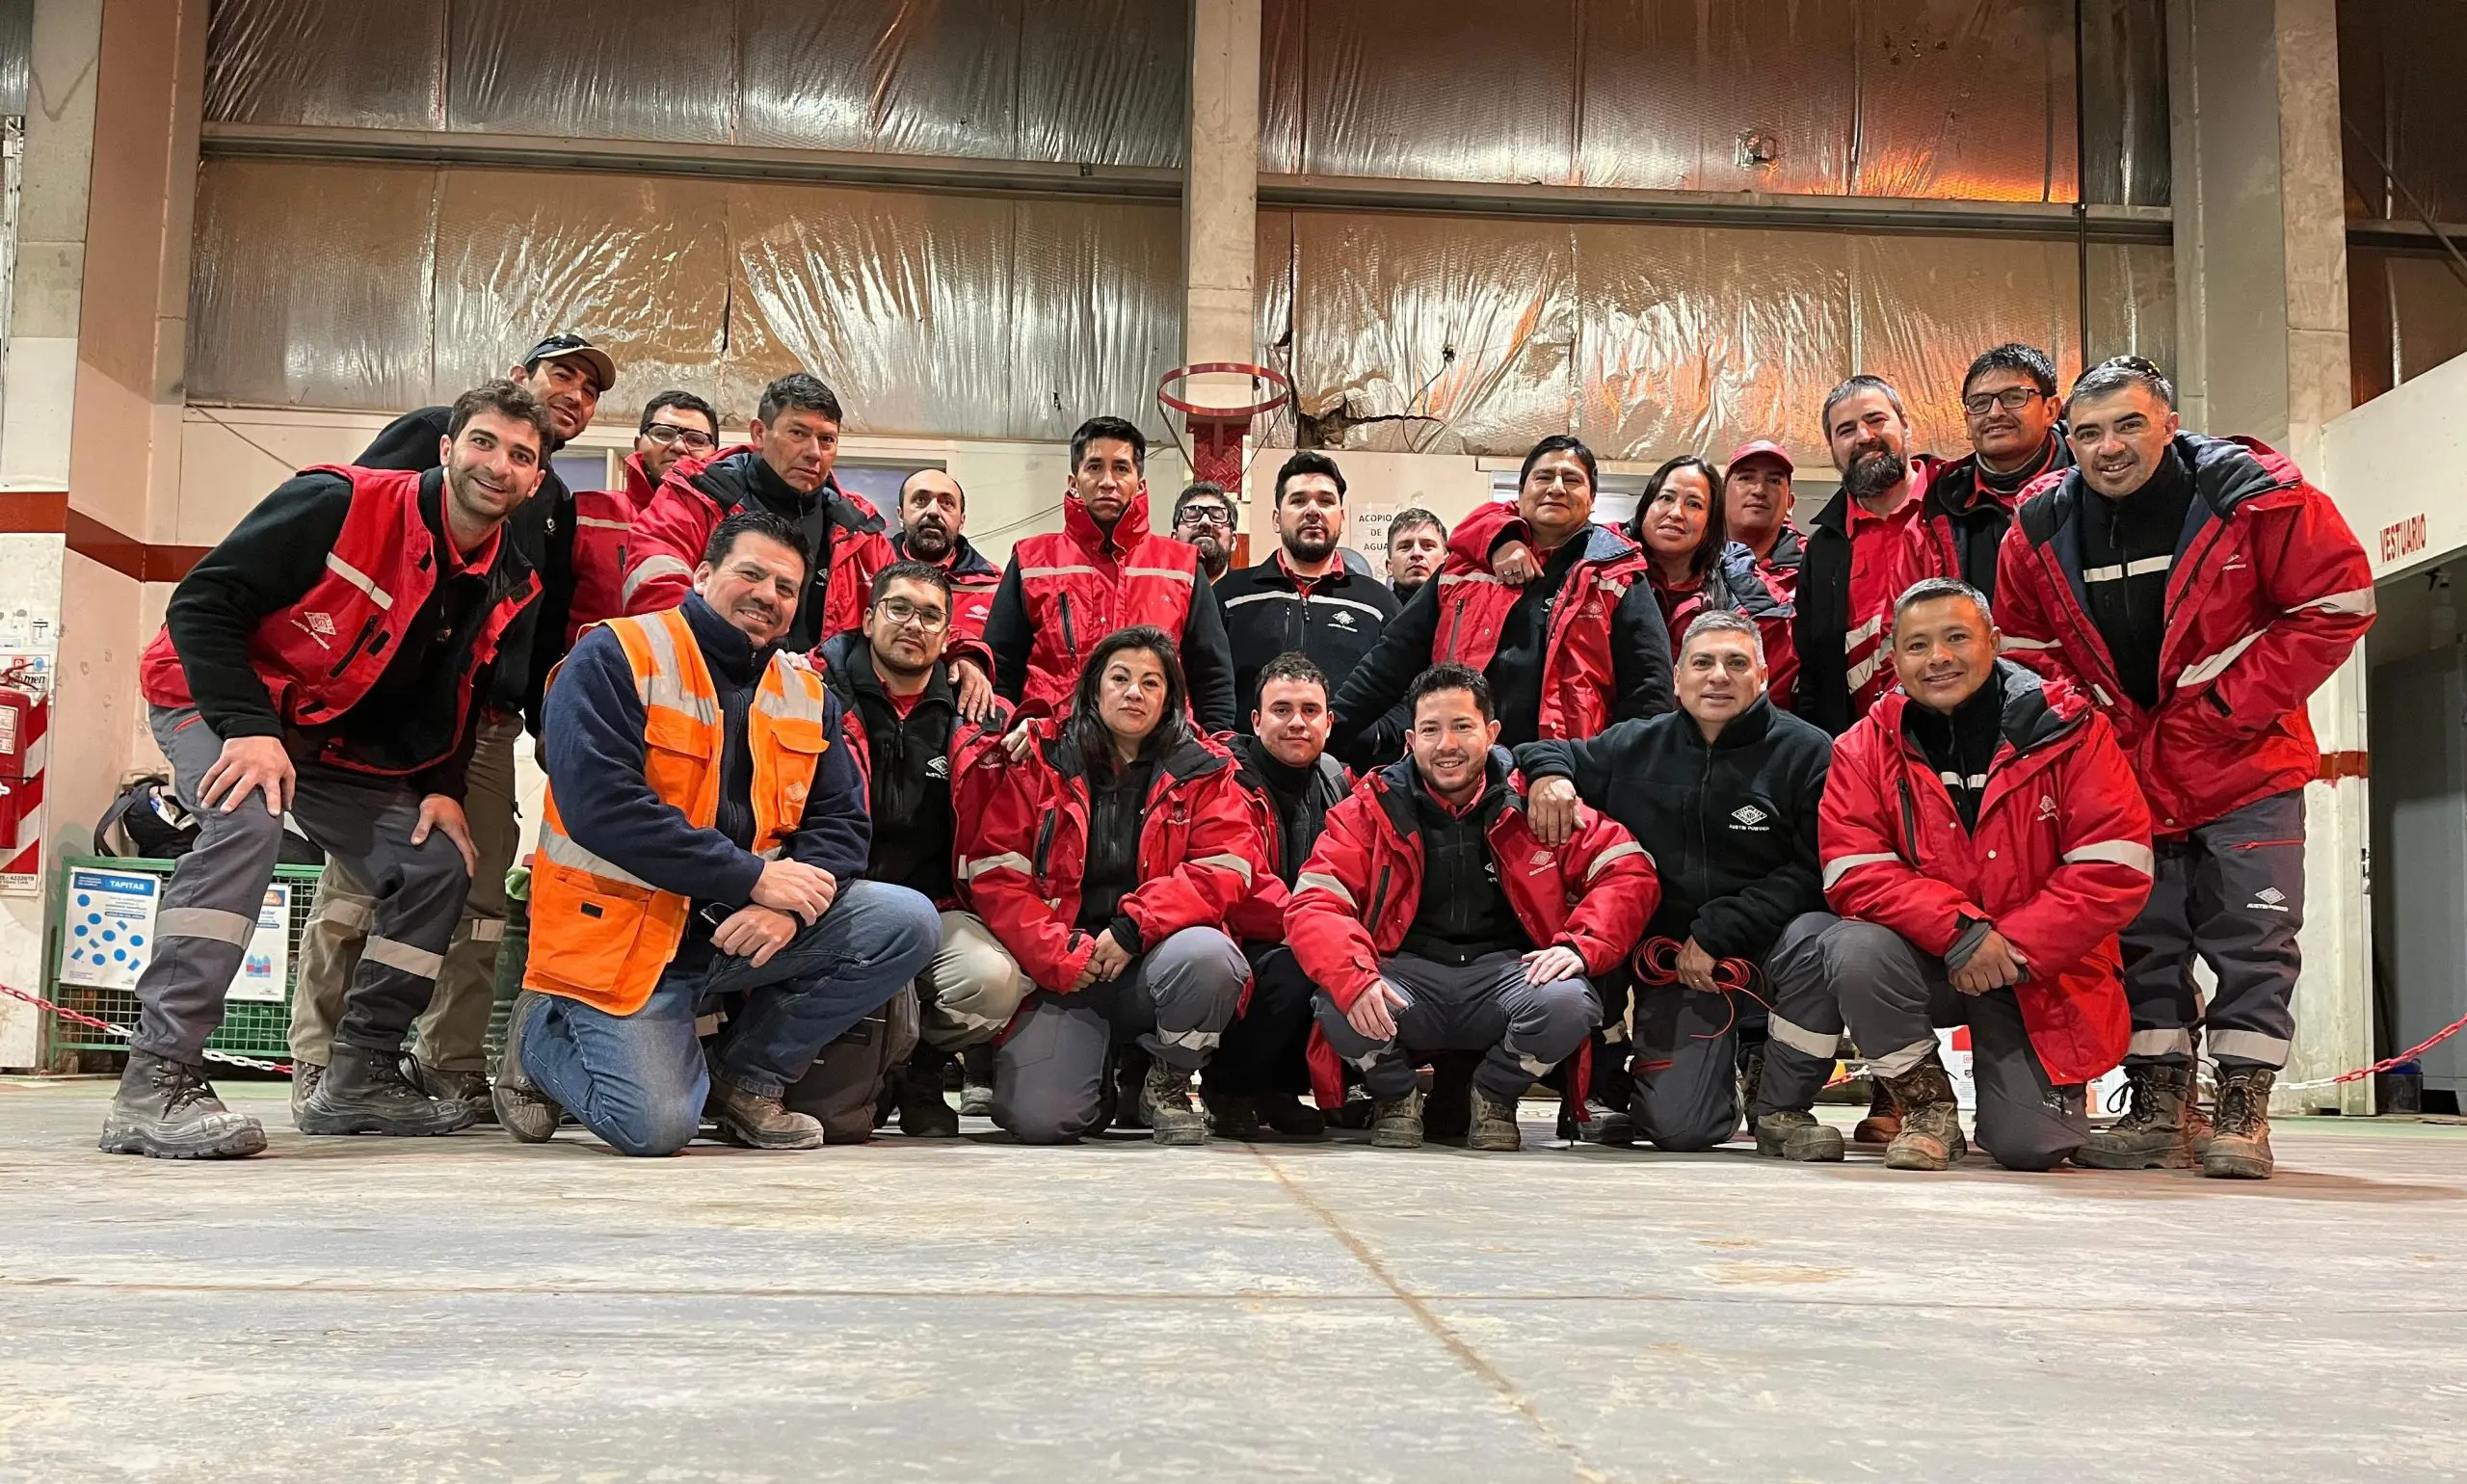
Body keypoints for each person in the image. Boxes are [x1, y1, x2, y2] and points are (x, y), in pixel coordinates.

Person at [103, 382, 553, 1158]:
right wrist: (247, 729)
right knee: (246, 815)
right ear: (446, 448)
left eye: (521, 455)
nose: (499, 465)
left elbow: (461, 691)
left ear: (537, 480)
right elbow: (204, 604)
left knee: (436, 863)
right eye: (483, 442)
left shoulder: (507, 572)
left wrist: (441, 792)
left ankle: (360, 1074)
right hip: (215, 698)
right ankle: (157, 1077)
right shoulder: (336, 501)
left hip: (325, 738)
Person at [1997, 357, 2374, 1179]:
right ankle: (2162, 1099)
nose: (2110, 448)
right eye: (2090, 433)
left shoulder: (2255, 498)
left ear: (2171, 423)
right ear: (2067, 440)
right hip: (2126, 772)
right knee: (2142, 939)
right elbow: (2024, 652)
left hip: (2247, 765)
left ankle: (2243, 1105)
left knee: (2254, 932)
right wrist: (2088, 730)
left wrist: (2230, 710)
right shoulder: (2037, 528)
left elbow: (2337, 605)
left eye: (2130, 425)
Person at [494, 512, 942, 1155]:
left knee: (905, 922)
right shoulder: (616, 655)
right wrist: (756, 878)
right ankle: (543, 1037)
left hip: (735, 930)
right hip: (621, 938)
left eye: (786, 588)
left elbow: (842, 822)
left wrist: (789, 908)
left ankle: (746, 1080)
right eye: (751, 574)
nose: (767, 595)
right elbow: (605, 809)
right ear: (703, 575)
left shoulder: (806, 691)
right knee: (657, 1128)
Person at [283, 336, 612, 1120]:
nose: (575, 394)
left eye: (590, 389)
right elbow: (359, 530)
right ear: (518, 378)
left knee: (480, 895)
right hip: (380, 707)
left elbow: (540, 619)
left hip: (484, 723)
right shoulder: (432, 433)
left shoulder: (554, 499)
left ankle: (448, 1061)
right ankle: (321, 1059)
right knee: (359, 886)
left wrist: (540, 716)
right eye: (561, 374)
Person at [1763, 578, 2153, 1173]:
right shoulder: (1862, 748)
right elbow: (1853, 870)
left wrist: (2013, 947)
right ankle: (1927, 1110)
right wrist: (1962, 930)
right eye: (1917, 646)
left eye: (1955, 638)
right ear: (1893, 660)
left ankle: (2029, 1104)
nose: (1937, 658)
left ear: (1994, 642)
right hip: (1929, 956)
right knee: (1848, 944)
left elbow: (2113, 866)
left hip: (2033, 967)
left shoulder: (2072, 732)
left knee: (2032, 1147)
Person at [1287, 665, 1657, 1152]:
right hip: (1404, 981)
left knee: (1569, 1002)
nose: (1447, 745)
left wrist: (1583, 946)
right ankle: (1395, 1098)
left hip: (1505, 981)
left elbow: (1629, 868)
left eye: (1462, 726)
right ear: (1410, 738)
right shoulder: (1367, 809)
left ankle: (1495, 1095)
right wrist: (1354, 974)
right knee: (1337, 999)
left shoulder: (1534, 803)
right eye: (1432, 730)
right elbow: (1315, 900)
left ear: (1491, 732)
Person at [1518, 611, 1831, 1154]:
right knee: (1680, 1130)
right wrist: (1550, 776)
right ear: (1677, 676)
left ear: (1762, 674)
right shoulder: (1634, 745)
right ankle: (1707, 1082)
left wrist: (1718, 932)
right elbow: (1541, 750)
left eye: (1736, 663)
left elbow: (1815, 872)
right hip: (1679, 967)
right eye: (1703, 663)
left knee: (1823, 940)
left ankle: (1781, 1102)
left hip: (1769, 949)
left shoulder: (1809, 752)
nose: (1718, 677)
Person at [964, 626, 1261, 1145]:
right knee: (1041, 1120)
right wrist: (1057, 954)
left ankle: (1164, 1080)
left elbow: (1225, 868)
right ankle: (1097, 1078)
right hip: (1067, 967)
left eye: (1151, 682)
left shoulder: (1206, 771)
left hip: (1154, 959)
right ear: (1094, 689)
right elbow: (998, 872)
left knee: (1212, 959)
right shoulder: (1041, 759)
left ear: (1171, 697)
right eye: (1120, 678)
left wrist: (1133, 929)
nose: (1134, 693)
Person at [812, 563, 1028, 1137]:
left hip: (939, 907)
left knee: (993, 978)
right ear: (867, 617)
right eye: (899, 608)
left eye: (931, 615)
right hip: (835, 901)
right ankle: (866, 1068)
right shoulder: (811, 693)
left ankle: (920, 1071)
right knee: (829, 1118)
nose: (914, 625)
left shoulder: (983, 719)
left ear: (949, 633)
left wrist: (1042, 740)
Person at [1330, 436, 1673, 763]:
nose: (1556, 487)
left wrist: (1616, 775)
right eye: (1544, 476)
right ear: (1521, 492)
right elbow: (1391, 659)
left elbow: (1649, 690)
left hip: (1567, 776)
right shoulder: (1463, 567)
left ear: (1592, 499)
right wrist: (1329, 730)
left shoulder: (1619, 574)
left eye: (1571, 479)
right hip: (1461, 769)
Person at [622, 373, 905, 659]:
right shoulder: (696, 495)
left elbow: (907, 611)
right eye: (798, 433)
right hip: (706, 679)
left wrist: (953, 650)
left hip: (824, 694)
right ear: (759, 433)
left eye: (827, 439)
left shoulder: (860, 531)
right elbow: (654, 589)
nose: (813, 452)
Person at [984, 417, 1236, 732]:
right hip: (1052, 754)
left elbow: (1212, 676)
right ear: (1073, 482)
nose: (1107, 481)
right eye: (1094, 467)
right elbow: (1000, 670)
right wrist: (1004, 734)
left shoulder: (1182, 566)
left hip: (1159, 758)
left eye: (1120, 468)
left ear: (1140, 483)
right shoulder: (1031, 561)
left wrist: (1215, 750)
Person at [1215, 653, 1351, 1140]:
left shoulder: (1337, 781)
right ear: (1255, 720)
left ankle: (1292, 1090)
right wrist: (1316, 927)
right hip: (1239, 936)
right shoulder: (1223, 777)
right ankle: (1230, 1090)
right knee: (1296, 966)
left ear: (1329, 722)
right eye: (1282, 709)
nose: (1298, 722)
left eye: (1311, 711)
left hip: (1304, 929)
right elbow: (1238, 881)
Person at [1794, 375, 1945, 737]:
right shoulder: (1823, 549)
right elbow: (1814, 669)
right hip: (1862, 747)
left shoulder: (1958, 510)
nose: (1863, 437)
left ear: (1905, 423)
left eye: (1876, 420)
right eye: (1845, 430)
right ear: (1832, 447)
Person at [1213, 451, 1401, 736]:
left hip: (1350, 772)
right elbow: (1204, 685)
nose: (1313, 510)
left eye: (1326, 501)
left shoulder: (1378, 604)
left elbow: (1405, 691)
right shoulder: (1230, 596)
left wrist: (1374, 740)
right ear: (1277, 519)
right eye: (1299, 500)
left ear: (1341, 517)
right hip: (1243, 771)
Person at [1631, 454, 1799, 710]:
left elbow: (1770, 689)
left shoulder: (1745, 591)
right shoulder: (1604, 570)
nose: (1676, 513)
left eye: (1694, 504)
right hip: (1610, 740)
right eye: (1666, 497)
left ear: (1711, 523)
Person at [567, 389, 724, 649]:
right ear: (638, 443)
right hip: (594, 677)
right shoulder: (584, 512)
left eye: (696, 439)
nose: (679, 446)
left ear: (715, 453)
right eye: (663, 433)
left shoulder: (731, 529)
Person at [1917, 344, 2070, 597]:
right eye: (1980, 403)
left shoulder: (2090, 480)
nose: (1995, 413)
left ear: (2050, 409)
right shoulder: (1941, 499)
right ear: (1967, 422)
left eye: (2013, 397)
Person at [891, 468, 1002, 651]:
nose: (933, 511)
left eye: (947, 503)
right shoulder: (869, 573)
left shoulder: (995, 587)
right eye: (920, 500)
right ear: (901, 514)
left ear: (962, 521)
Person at [1723, 439, 1804, 593]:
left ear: (1790, 502)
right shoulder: (1691, 561)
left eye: (1774, 481)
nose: (1759, 490)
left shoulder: (1818, 564)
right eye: (1746, 478)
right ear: (1721, 496)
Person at [1171, 481, 1238, 583]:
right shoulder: (1155, 593)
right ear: (1174, 539)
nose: (1205, 521)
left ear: (1233, 541)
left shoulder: (1247, 596)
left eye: (1217, 516)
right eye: (1192, 514)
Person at [1385, 508, 1447, 601]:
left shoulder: (1466, 611)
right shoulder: (1376, 613)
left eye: (1428, 545)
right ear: (1390, 567)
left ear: (1447, 562)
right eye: (1405, 547)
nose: (1416, 553)